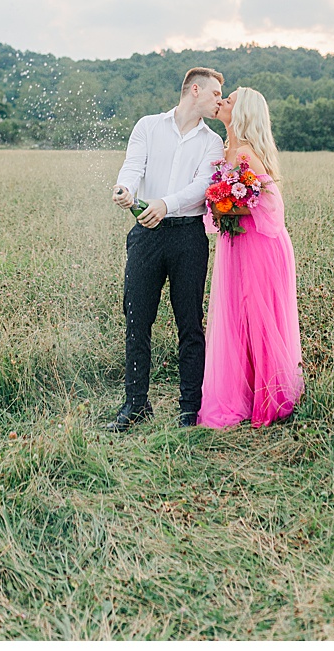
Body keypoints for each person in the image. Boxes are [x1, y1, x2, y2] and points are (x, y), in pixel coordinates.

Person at [109, 66, 226, 431]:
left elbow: (202, 186)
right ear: (195, 90)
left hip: (188, 237)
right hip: (146, 233)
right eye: (215, 95)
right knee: (137, 320)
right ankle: (135, 404)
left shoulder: (213, 142)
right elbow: (132, 167)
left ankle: (190, 408)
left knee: (189, 323)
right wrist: (125, 190)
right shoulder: (148, 126)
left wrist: (165, 203)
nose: (219, 102)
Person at [197, 87, 305, 428]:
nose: (222, 102)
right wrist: (219, 203)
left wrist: (225, 204)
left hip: (260, 245)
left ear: (240, 112)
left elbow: (271, 206)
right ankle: (244, 392)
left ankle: (270, 399)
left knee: (258, 315)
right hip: (238, 244)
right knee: (238, 314)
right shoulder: (227, 148)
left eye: (227, 100)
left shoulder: (245, 153)